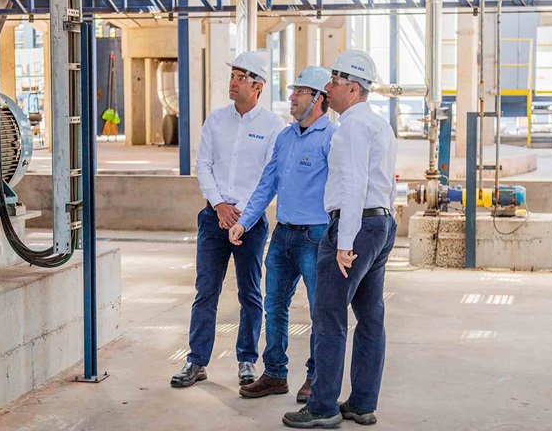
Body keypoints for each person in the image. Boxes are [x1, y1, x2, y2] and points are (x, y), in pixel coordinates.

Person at [282, 50, 398, 429]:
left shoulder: (350, 127)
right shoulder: (380, 126)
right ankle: (362, 403)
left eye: (333, 82)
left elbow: (352, 186)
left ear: (352, 87)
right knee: (369, 316)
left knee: (329, 315)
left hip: (355, 227)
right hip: (381, 225)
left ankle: (323, 406)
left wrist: (344, 241)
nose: (327, 88)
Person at [170, 51, 285, 389]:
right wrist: (220, 206)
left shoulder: (272, 126)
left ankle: (247, 360)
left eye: (240, 78)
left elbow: (269, 178)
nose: (232, 83)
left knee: (250, 293)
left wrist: (242, 216)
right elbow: (202, 164)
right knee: (206, 291)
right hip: (213, 219)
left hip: (250, 223)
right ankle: (196, 360)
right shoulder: (216, 119)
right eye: (232, 76)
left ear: (258, 86)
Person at [230, 67, 337, 403]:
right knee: (274, 307)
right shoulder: (286, 137)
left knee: (320, 310)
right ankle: (275, 373)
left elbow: (345, 190)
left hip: (316, 237)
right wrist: (244, 221)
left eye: (300, 92)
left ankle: (315, 377)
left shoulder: (332, 139)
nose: (291, 98)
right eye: (293, 91)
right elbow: (267, 184)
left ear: (319, 99)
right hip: (282, 236)